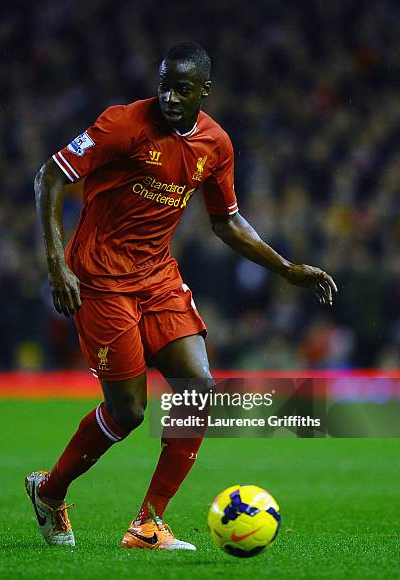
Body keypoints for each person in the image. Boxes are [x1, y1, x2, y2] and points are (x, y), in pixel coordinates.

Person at [26, 41, 337, 550]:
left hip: (158, 277)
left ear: (204, 92)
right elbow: (50, 176)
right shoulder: (122, 125)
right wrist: (56, 263)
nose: (170, 96)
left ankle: (147, 524)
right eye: (165, 84)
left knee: (198, 389)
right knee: (128, 413)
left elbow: (227, 220)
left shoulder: (216, 143)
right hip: (101, 278)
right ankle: (50, 491)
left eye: (183, 89)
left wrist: (285, 267)